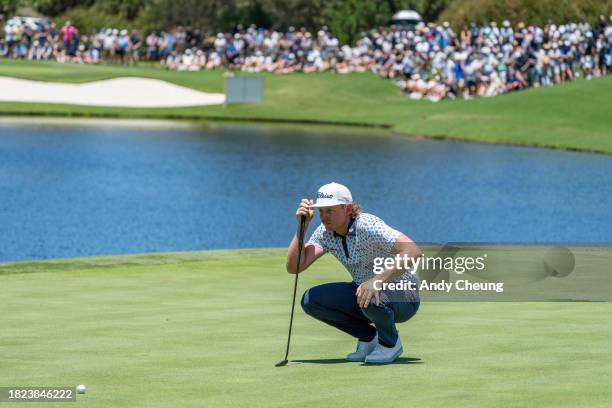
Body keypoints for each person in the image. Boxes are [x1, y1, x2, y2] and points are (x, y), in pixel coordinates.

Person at [287, 182, 421, 364]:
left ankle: (390, 344)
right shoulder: (325, 233)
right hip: (364, 291)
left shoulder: (367, 225)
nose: (324, 217)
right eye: (321, 212)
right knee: (311, 300)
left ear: (347, 208)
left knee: (369, 294)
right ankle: (368, 338)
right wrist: (302, 226)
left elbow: (413, 252)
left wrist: (376, 281)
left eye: (330, 211)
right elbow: (294, 267)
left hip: (404, 295)